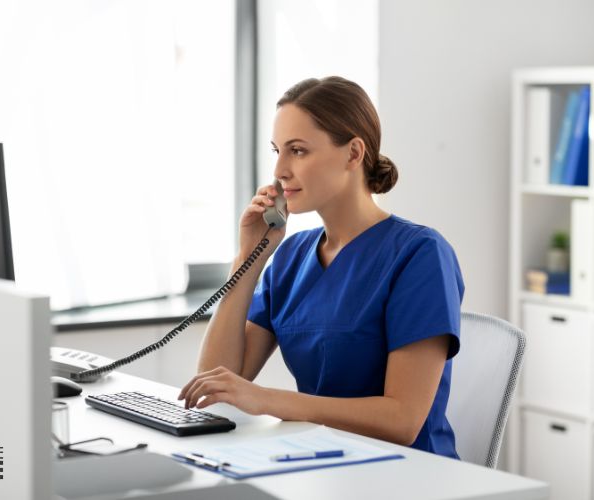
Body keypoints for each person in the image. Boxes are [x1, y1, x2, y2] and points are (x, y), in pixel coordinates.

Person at [178, 76, 464, 459]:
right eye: (277, 150)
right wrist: (247, 259)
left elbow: (402, 419)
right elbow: (217, 383)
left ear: (353, 153)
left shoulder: (420, 255)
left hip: (409, 476)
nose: (280, 168)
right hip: (321, 463)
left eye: (297, 151)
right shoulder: (292, 256)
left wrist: (267, 400)